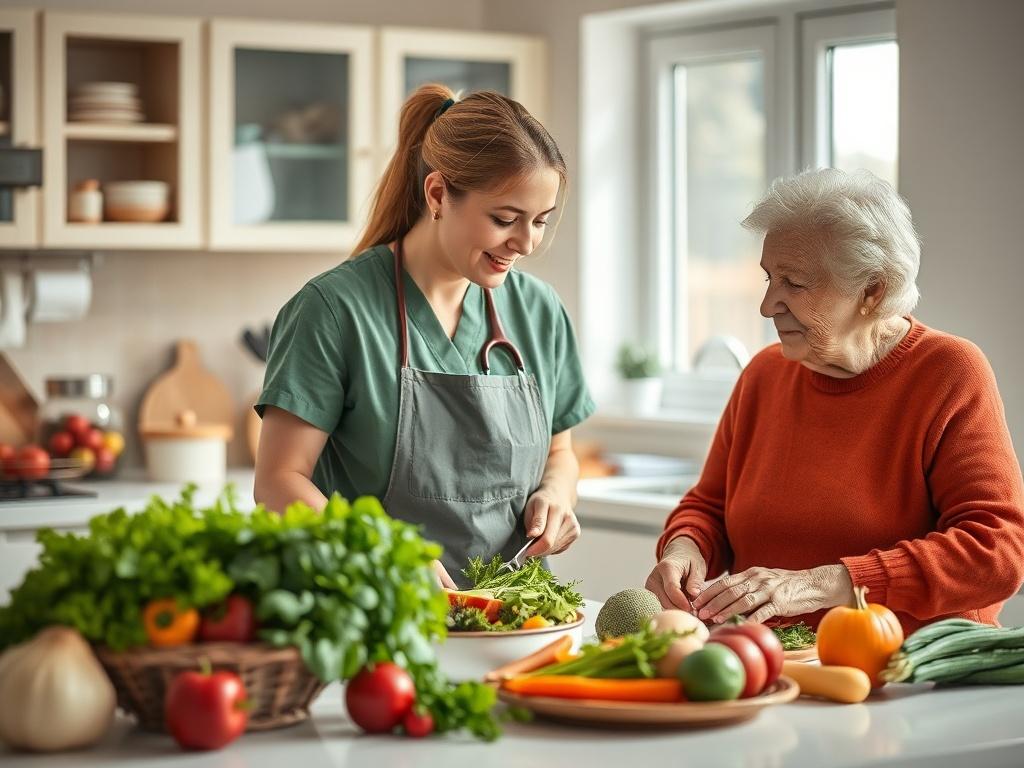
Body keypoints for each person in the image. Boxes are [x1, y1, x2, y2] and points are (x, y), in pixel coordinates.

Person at [647, 168, 1024, 634]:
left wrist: (826, 582)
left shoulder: (948, 371)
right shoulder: (764, 375)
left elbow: (996, 553)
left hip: (910, 672)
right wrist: (685, 547)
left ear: (873, 290)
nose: (767, 305)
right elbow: (709, 507)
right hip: (779, 663)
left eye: (795, 283)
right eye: (769, 278)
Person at [254, 84, 595, 588]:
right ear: (437, 194)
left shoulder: (539, 311)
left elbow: (560, 453)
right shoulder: (332, 311)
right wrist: (384, 555)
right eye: (505, 219)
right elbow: (279, 483)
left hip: (514, 620)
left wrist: (557, 495)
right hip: (374, 616)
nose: (525, 243)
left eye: (539, 221)